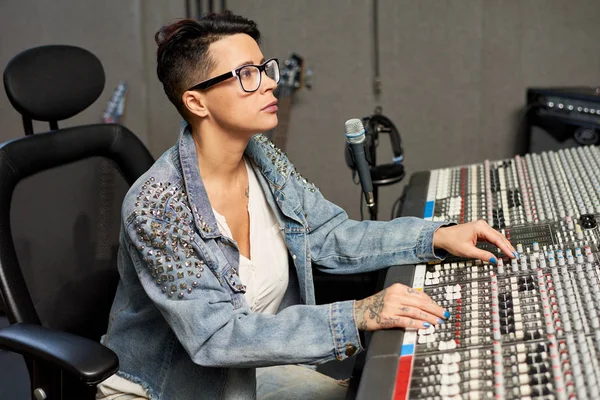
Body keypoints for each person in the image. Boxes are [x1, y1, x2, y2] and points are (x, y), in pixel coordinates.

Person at [97, 11, 517, 400]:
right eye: (246, 75)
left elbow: (329, 234)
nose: (268, 83)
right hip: (167, 390)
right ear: (196, 102)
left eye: (264, 68)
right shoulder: (157, 206)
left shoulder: (262, 157)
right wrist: (358, 314)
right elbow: (217, 337)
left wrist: (435, 236)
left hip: (247, 376)